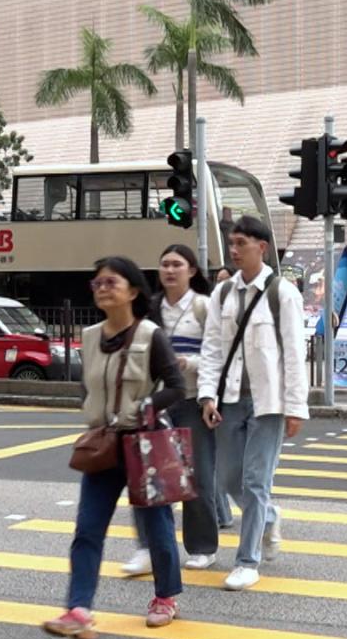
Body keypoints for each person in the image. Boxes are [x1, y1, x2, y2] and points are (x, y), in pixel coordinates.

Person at [43, 256, 186, 639]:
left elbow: (176, 386)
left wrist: (148, 406)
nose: (102, 288)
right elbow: (88, 386)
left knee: (157, 528)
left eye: (111, 282)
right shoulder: (89, 337)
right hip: (104, 443)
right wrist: (96, 412)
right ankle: (79, 610)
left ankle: (166, 597)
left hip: (144, 444)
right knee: (88, 529)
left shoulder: (150, 335)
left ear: (133, 291)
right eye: (97, 284)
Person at [198, 216, 309, 590]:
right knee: (228, 478)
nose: (234, 250)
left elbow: (294, 354)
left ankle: (247, 561)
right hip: (229, 400)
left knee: (255, 480)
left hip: (269, 404)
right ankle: (269, 516)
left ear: (261, 247)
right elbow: (212, 349)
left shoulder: (282, 293)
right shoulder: (223, 294)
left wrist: (296, 407)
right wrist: (207, 396)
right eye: (232, 243)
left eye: (241, 243)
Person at [122, 244, 219, 575]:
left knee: (198, 475)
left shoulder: (205, 307)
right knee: (147, 474)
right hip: (156, 402)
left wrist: (189, 363)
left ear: (191, 271)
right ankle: (147, 547)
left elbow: (218, 353)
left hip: (192, 399)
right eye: (164, 264)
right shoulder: (149, 309)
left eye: (177, 264)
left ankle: (202, 546)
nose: (169, 270)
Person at [212, 265, 236, 530]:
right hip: (213, 395)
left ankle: (264, 513)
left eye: (225, 281)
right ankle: (222, 512)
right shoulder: (213, 310)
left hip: (232, 396)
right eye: (217, 281)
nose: (219, 286)